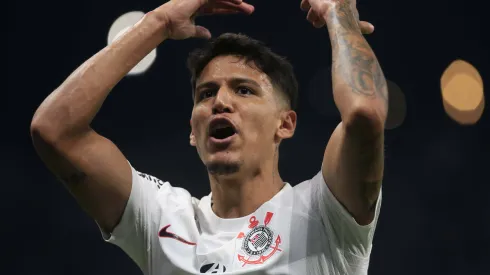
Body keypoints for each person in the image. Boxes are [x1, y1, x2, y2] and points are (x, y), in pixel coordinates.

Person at [30, 0, 387, 274]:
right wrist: (159, 21)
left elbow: (365, 114)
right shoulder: (164, 220)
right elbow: (55, 131)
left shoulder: (325, 214)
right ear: (192, 130)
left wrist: (339, 13)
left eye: (244, 90)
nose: (220, 102)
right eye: (206, 94)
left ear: (286, 124)